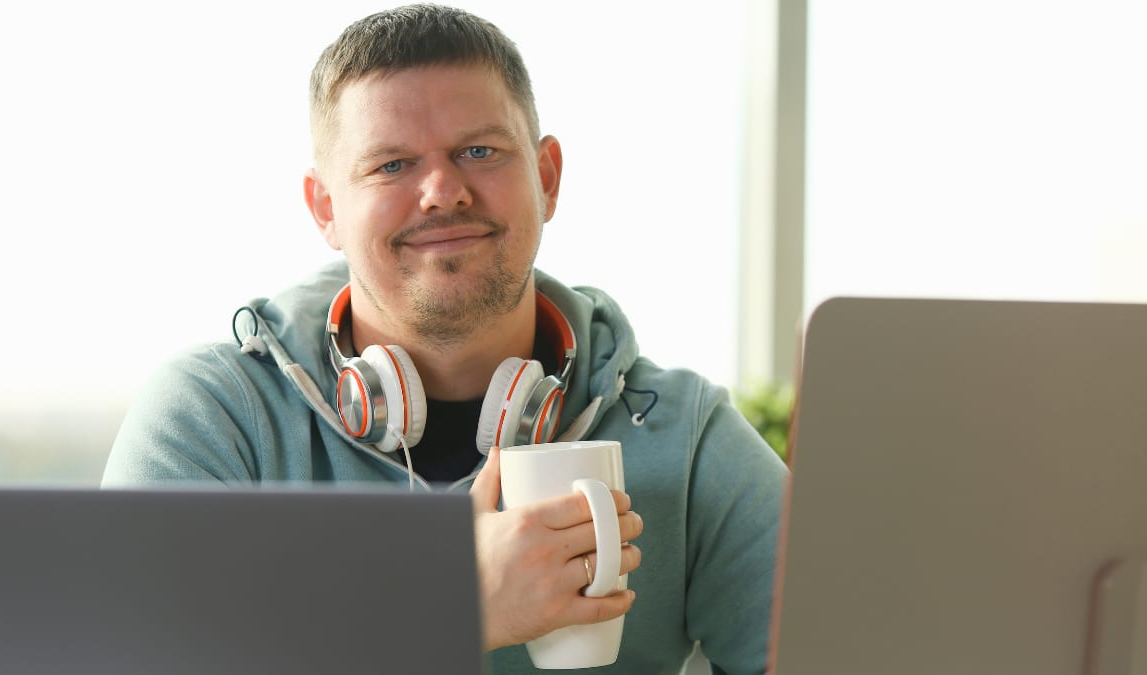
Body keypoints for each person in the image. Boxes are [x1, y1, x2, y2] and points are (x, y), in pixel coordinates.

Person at [102, 4, 788, 673]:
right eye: (391, 165)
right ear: (326, 208)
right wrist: (451, 601)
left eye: (479, 150)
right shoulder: (215, 420)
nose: (442, 190)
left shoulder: (684, 435)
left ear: (546, 178)